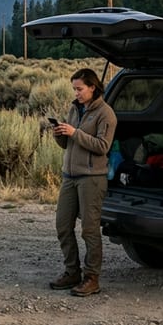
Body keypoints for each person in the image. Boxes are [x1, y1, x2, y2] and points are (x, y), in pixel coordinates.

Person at [49, 67, 117, 297]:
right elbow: (68, 145)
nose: (76, 93)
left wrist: (75, 133)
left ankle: (92, 278)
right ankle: (72, 272)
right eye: (74, 89)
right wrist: (60, 134)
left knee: (89, 229)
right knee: (63, 225)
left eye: (79, 89)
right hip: (70, 176)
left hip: (92, 179)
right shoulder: (75, 109)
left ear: (92, 87)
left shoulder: (105, 114)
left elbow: (102, 146)